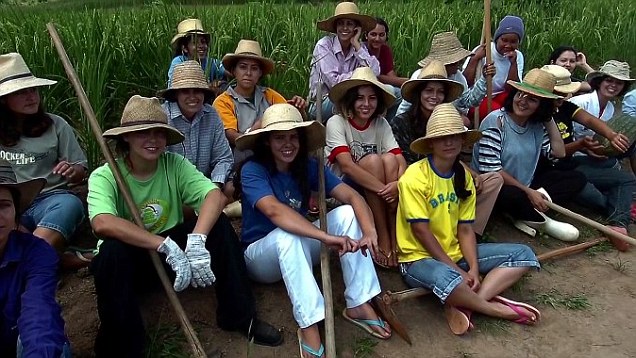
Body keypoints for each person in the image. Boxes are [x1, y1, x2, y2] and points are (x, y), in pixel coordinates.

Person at [87, 95, 281, 357]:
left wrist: (197, 239)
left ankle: (239, 317)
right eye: (143, 133)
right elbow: (102, 222)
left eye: (159, 133)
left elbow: (213, 195)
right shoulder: (106, 175)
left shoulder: (173, 165)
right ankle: (124, 347)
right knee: (111, 253)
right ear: (126, 137)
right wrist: (161, 244)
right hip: (132, 264)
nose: (153, 140)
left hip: (176, 259)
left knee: (220, 226)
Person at [233, 103, 391, 358]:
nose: (288, 144)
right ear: (266, 142)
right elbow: (274, 211)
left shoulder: (308, 166)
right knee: (287, 235)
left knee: (347, 214)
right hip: (261, 256)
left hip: (301, 243)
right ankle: (309, 324)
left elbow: (352, 196)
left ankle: (359, 302)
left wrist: (370, 231)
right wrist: (326, 237)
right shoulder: (253, 170)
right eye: (279, 138)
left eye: (293, 137)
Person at [397, 103, 541, 336]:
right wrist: (456, 269)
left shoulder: (464, 176)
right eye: (442, 137)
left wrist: (473, 268)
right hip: (418, 258)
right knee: (448, 277)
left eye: (455, 136)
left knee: (523, 254)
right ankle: (495, 309)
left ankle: (466, 305)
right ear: (431, 142)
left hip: (456, 254)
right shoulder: (414, 176)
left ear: (462, 140)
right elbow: (421, 232)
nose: (449, 142)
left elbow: (465, 230)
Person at [471, 69, 586, 242]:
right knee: (511, 195)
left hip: (526, 185)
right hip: (496, 187)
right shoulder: (496, 122)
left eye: (532, 99)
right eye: (520, 94)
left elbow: (558, 153)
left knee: (576, 178)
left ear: (542, 106)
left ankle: (527, 213)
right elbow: (492, 169)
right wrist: (529, 192)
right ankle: (533, 214)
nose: (522, 102)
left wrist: (548, 119)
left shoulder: (536, 125)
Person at [391, 60, 503, 237]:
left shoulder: (451, 121)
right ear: (419, 94)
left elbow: (452, 157)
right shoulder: (402, 123)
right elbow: (412, 166)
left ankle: (467, 232)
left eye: (440, 92)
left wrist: (471, 173)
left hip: (449, 176)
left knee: (493, 180)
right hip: (421, 183)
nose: (434, 96)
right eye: (429, 90)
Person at [0, 52, 90, 269]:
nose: (31, 96)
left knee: (69, 204)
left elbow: (80, 170)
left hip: (53, 199)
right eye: (21, 92)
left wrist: (72, 170)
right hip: (9, 204)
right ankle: (56, 260)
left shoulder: (56, 125)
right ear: (4, 100)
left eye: (33, 90)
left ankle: (28, 262)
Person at [540, 65, 635, 251]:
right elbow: (553, 153)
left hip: (572, 163)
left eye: (565, 93)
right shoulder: (540, 114)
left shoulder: (566, 107)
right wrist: (581, 144)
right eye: (559, 93)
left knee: (625, 178)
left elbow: (590, 120)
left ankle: (618, 224)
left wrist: (611, 135)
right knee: (597, 198)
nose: (563, 97)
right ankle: (619, 209)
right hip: (554, 170)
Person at [325, 66, 406, 267]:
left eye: (372, 98)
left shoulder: (380, 123)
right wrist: (385, 191)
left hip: (380, 185)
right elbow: (346, 166)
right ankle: (384, 240)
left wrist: (398, 185)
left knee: (389, 160)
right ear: (351, 100)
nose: (366, 104)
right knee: (372, 161)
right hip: (346, 188)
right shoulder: (337, 122)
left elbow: (399, 159)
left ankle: (395, 237)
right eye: (360, 98)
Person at [0, 161, 71, 357]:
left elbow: (39, 310)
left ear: (17, 214)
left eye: (3, 206)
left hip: (21, 346)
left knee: (51, 344)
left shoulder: (36, 252)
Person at [160, 60, 233, 199]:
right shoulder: (163, 117)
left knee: (230, 187)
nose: (192, 97)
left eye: (197, 91)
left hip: (206, 186)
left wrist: (215, 187)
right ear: (176, 94)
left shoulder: (211, 114)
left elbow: (223, 157)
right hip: (172, 189)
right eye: (186, 91)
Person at [396, 31, 495, 118]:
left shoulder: (458, 77)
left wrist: (484, 79)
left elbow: (468, 101)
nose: (458, 66)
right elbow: (405, 106)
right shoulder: (420, 76)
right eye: (454, 63)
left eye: (459, 62)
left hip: (447, 119)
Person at [309, 1, 379, 122]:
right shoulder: (324, 45)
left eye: (349, 24)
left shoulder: (359, 47)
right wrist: (359, 77)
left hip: (353, 98)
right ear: (336, 27)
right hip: (323, 103)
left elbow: (374, 73)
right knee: (353, 102)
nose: (345, 28)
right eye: (341, 24)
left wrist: (357, 44)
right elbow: (334, 83)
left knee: (394, 93)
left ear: (356, 28)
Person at [463, 15, 525, 120]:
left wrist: (513, 64)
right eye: (504, 40)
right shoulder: (484, 50)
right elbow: (466, 82)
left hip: (501, 95)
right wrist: (475, 58)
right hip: (479, 98)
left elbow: (511, 88)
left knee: (516, 108)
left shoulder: (517, 56)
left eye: (513, 42)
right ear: (497, 39)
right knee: (499, 116)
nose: (508, 45)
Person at [569, 60, 634, 137]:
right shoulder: (580, 102)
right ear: (599, 82)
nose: (613, 85)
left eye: (619, 83)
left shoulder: (610, 108)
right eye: (609, 81)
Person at [167, 18, 228, 96]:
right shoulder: (179, 62)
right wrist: (210, 86)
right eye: (195, 42)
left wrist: (222, 82)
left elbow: (230, 72)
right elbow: (184, 86)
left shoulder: (211, 62)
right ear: (185, 48)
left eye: (203, 42)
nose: (201, 46)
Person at [363, 17, 407, 119]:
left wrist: (408, 83)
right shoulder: (362, 51)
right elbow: (375, 77)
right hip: (368, 86)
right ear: (366, 35)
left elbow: (391, 75)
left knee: (400, 93)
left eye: (381, 35)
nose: (377, 39)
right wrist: (410, 80)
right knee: (393, 91)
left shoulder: (385, 50)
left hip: (382, 86)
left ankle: (390, 124)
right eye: (373, 34)